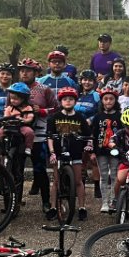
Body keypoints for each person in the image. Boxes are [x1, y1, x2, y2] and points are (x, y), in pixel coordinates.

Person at [17, 58, 58, 212]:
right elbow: (8, 107)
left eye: (27, 70)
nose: (24, 73)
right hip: (19, 133)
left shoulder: (44, 89)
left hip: (39, 133)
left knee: (39, 169)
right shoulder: (15, 89)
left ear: (36, 72)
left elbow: (56, 109)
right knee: (16, 169)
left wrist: (40, 111)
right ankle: (15, 203)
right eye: (21, 70)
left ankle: (46, 202)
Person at [46, 87, 92, 221]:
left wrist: (88, 145)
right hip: (58, 153)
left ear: (75, 102)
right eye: (65, 99)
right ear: (60, 101)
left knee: (78, 181)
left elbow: (88, 135)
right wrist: (52, 153)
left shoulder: (80, 118)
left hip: (76, 153)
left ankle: (82, 207)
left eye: (71, 99)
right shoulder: (54, 118)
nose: (68, 101)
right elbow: (49, 136)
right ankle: (53, 207)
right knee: (56, 181)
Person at [91, 86, 121, 213]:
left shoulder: (120, 116)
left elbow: (122, 134)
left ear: (115, 101)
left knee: (114, 175)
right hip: (100, 149)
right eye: (106, 99)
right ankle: (104, 202)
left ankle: (113, 201)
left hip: (115, 150)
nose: (108, 101)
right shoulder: (97, 117)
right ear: (102, 101)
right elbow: (93, 134)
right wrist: (92, 151)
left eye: (111, 99)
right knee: (103, 175)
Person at [75, 69, 101, 198]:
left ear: (94, 82)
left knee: (93, 159)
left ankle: (97, 187)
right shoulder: (77, 94)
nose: (87, 82)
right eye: (84, 80)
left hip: (91, 130)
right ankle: (81, 185)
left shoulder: (96, 95)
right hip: (77, 130)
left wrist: (90, 120)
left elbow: (100, 112)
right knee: (80, 160)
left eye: (90, 80)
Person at [0, 82, 36, 156]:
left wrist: (23, 120)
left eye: (16, 99)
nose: (12, 101)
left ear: (23, 99)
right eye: (11, 98)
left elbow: (30, 118)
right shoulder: (9, 108)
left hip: (21, 126)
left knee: (30, 132)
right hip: (9, 126)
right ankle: (0, 148)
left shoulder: (28, 108)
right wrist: (7, 120)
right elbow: (6, 117)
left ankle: (28, 147)